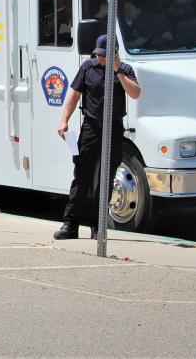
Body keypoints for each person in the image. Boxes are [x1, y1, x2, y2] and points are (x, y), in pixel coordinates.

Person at [54, 34, 141, 239]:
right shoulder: (87, 67)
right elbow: (74, 94)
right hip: (90, 127)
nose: (100, 58)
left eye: (105, 55)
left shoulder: (125, 70)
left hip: (114, 128)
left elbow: (135, 93)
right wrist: (64, 120)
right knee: (81, 174)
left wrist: (117, 70)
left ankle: (98, 226)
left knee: (106, 177)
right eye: (99, 54)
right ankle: (70, 224)